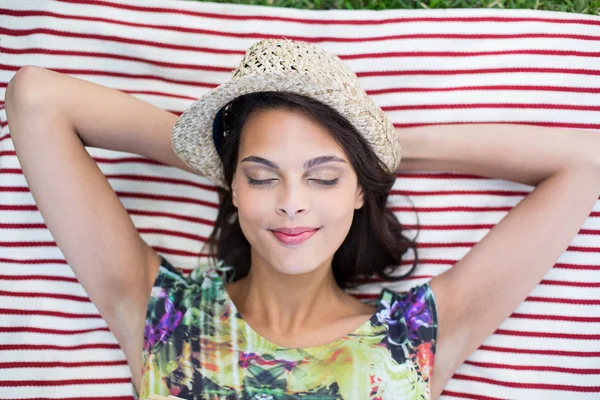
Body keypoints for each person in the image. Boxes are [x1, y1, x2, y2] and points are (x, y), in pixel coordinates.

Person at [5, 38, 600, 400]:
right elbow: (36, 98)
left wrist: (381, 150)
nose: (292, 200)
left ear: (360, 191)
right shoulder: (159, 311)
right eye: (263, 177)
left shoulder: (413, 337)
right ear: (233, 186)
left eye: (324, 177)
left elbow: (583, 163)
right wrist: (221, 149)